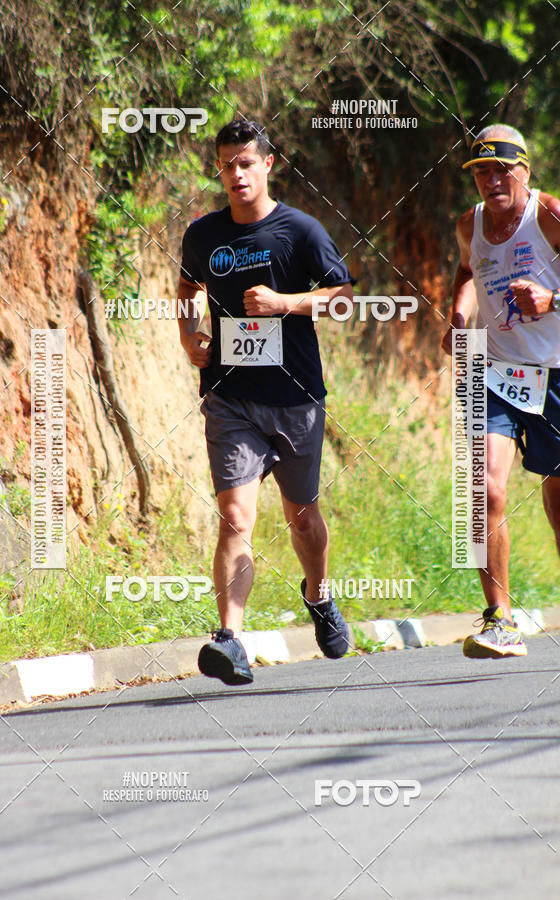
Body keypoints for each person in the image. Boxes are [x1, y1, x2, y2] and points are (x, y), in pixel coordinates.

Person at [178, 119, 355, 684]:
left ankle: (319, 595)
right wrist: (189, 334)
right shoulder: (204, 235)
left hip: (296, 400)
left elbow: (344, 299)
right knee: (234, 517)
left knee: (303, 519)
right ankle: (230, 639)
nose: (235, 174)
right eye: (226, 164)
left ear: (268, 164)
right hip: (230, 400)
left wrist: (285, 303)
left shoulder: (300, 231)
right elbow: (187, 291)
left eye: (245, 163)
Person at [442, 124, 560, 658]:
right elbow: (468, 271)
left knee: (558, 504)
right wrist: (460, 314)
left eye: (501, 169)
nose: (491, 181)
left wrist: (551, 301)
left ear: (525, 171)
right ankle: (501, 619)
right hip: (495, 371)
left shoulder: (550, 216)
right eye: (480, 172)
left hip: (556, 373)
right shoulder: (469, 224)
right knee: (481, 487)